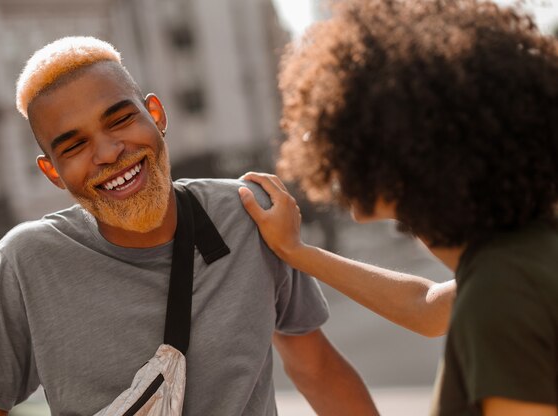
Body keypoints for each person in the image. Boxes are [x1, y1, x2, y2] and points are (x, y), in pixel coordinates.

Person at [0, 36, 378, 416]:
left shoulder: (249, 214)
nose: (108, 151)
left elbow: (316, 368)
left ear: (155, 114)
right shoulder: (25, 261)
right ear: (53, 173)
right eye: (75, 145)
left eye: (119, 120)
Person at [238, 0, 558, 415]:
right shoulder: (523, 253)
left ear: (405, 151)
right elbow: (424, 308)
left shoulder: (499, 292)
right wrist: (298, 253)